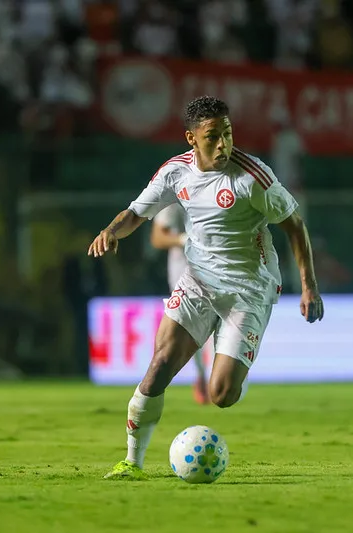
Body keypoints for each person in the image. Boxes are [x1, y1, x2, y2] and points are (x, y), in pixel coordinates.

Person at [88, 95, 324, 480]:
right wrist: (111, 231)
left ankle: (232, 364)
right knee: (160, 364)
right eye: (212, 136)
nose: (223, 145)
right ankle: (132, 461)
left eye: (227, 134)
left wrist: (309, 286)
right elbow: (136, 213)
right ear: (191, 139)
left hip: (249, 288)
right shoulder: (175, 173)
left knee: (221, 395)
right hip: (197, 281)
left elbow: (294, 224)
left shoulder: (253, 177)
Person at [150, 203, 210, 404]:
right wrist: (184, 239)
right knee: (189, 331)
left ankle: (224, 378)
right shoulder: (176, 198)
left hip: (219, 270)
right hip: (184, 274)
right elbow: (157, 237)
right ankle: (202, 376)